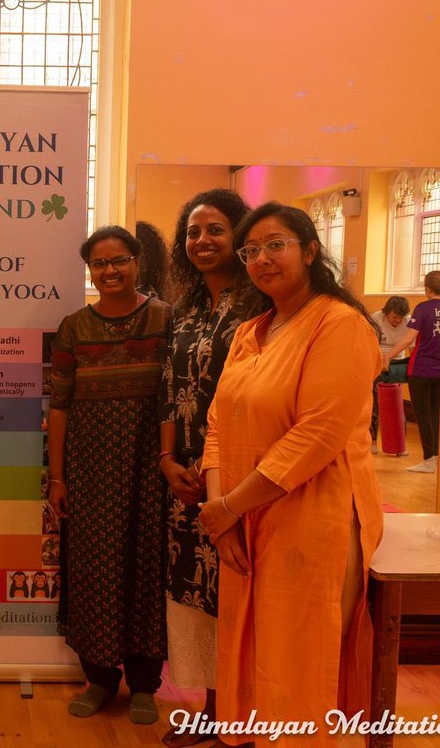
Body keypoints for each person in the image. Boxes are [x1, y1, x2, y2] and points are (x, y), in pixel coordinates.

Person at [197, 203, 383, 747]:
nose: (261, 259)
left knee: (301, 659)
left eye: (275, 245)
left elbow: (316, 437)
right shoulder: (251, 331)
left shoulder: (340, 324)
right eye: (251, 250)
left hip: (313, 515)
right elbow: (217, 425)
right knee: (255, 653)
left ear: (309, 250)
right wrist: (222, 517)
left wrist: (229, 507)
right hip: (242, 518)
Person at [47, 225, 172, 727]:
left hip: (150, 467)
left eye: (119, 260)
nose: (110, 271)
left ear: (137, 262)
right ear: (89, 270)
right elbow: (59, 406)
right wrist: (57, 479)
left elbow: (179, 393)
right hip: (90, 470)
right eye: (99, 264)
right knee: (93, 572)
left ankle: (144, 683)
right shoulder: (74, 327)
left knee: (147, 570)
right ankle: (99, 679)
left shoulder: (166, 320)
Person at [159, 189, 252, 748]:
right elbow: (171, 392)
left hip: (241, 473)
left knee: (239, 592)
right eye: (193, 232)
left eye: (215, 229)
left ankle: (241, 715)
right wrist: (167, 458)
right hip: (185, 477)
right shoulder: (187, 307)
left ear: (239, 236)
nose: (202, 241)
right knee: (198, 594)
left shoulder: (261, 304)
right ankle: (214, 710)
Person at [386, 271, 440, 474]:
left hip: (421, 370)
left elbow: (408, 339)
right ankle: (437, 457)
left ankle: (429, 459)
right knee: (437, 414)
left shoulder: (423, 308)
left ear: (427, 288)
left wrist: (387, 356)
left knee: (423, 415)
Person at [369, 295, 411, 455]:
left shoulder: (409, 321)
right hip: (377, 361)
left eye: (400, 318)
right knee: (374, 403)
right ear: (387, 313)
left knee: (397, 404)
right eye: (394, 317)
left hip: (397, 363)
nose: (397, 321)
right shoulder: (376, 318)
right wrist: (378, 363)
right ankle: (373, 441)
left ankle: (399, 445)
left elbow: (411, 347)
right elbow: (369, 343)